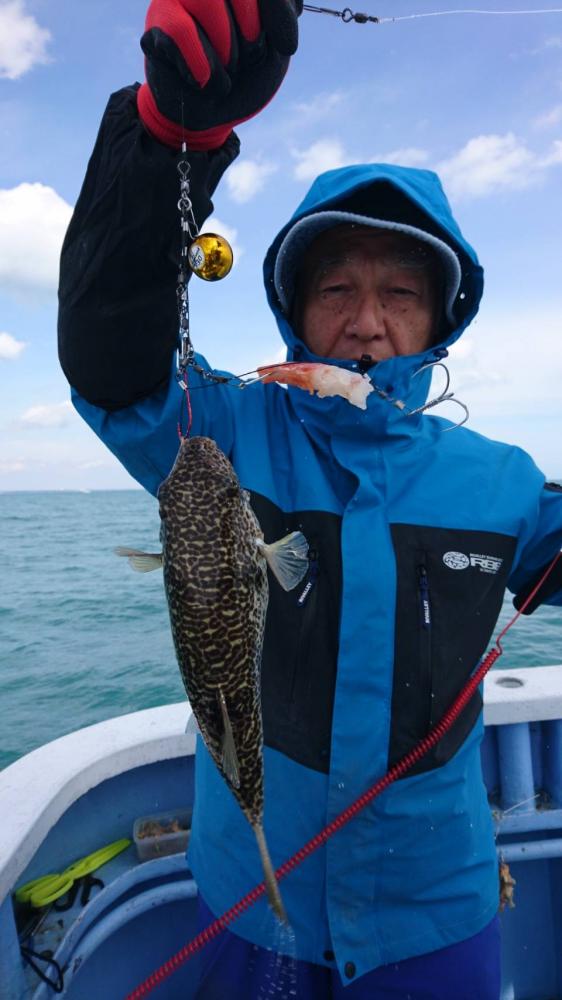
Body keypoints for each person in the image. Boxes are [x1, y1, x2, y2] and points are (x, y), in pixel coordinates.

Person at [58, 3, 562, 997]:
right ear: (294, 310)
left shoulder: (502, 479)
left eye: (400, 294)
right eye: (336, 290)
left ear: (439, 320)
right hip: (251, 897)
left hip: (439, 909)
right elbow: (113, 359)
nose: (367, 322)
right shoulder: (219, 427)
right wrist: (163, 146)